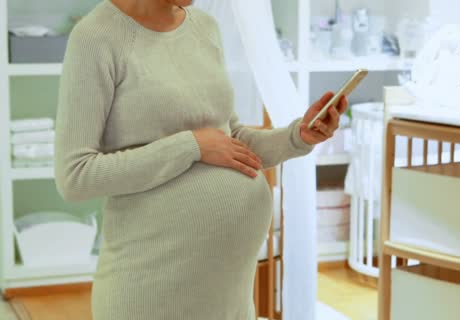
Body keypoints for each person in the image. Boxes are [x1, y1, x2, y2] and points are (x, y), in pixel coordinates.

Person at [54, 0, 347, 319]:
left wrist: (298, 136)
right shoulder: (95, 38)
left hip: (229, 297)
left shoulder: (204, 28)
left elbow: (230, 138)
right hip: (151, 293)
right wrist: (189, 146)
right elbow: (75, 175)